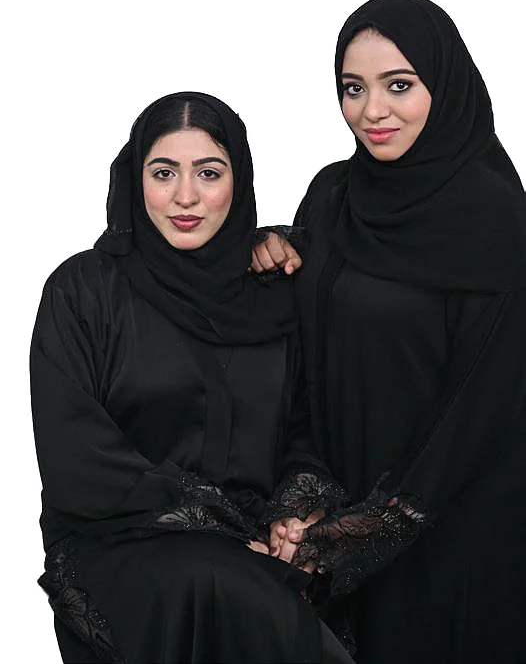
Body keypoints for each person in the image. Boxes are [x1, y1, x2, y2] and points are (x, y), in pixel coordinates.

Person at [30, 92, 355, 664]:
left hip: (255, 544)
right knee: (220, 583)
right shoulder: (83, 291)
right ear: (135, 180)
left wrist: (292, 513)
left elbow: (305, 426)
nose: (186, 196)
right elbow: (75, 458)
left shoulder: (274, 293)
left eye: (209, 173)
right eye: (164, 173)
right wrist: (221, 528)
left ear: (239, 180)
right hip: (120, 537)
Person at [253, 0, 526, 664]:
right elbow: (309, 351)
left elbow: (485, 406)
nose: (371, 110)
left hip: (450, 536)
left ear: (445, 85)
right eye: (353, 88)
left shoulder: (496, 220)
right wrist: (263, 252)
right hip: (333, 516)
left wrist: (373, 526)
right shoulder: (332, 196)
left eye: (398, 85)